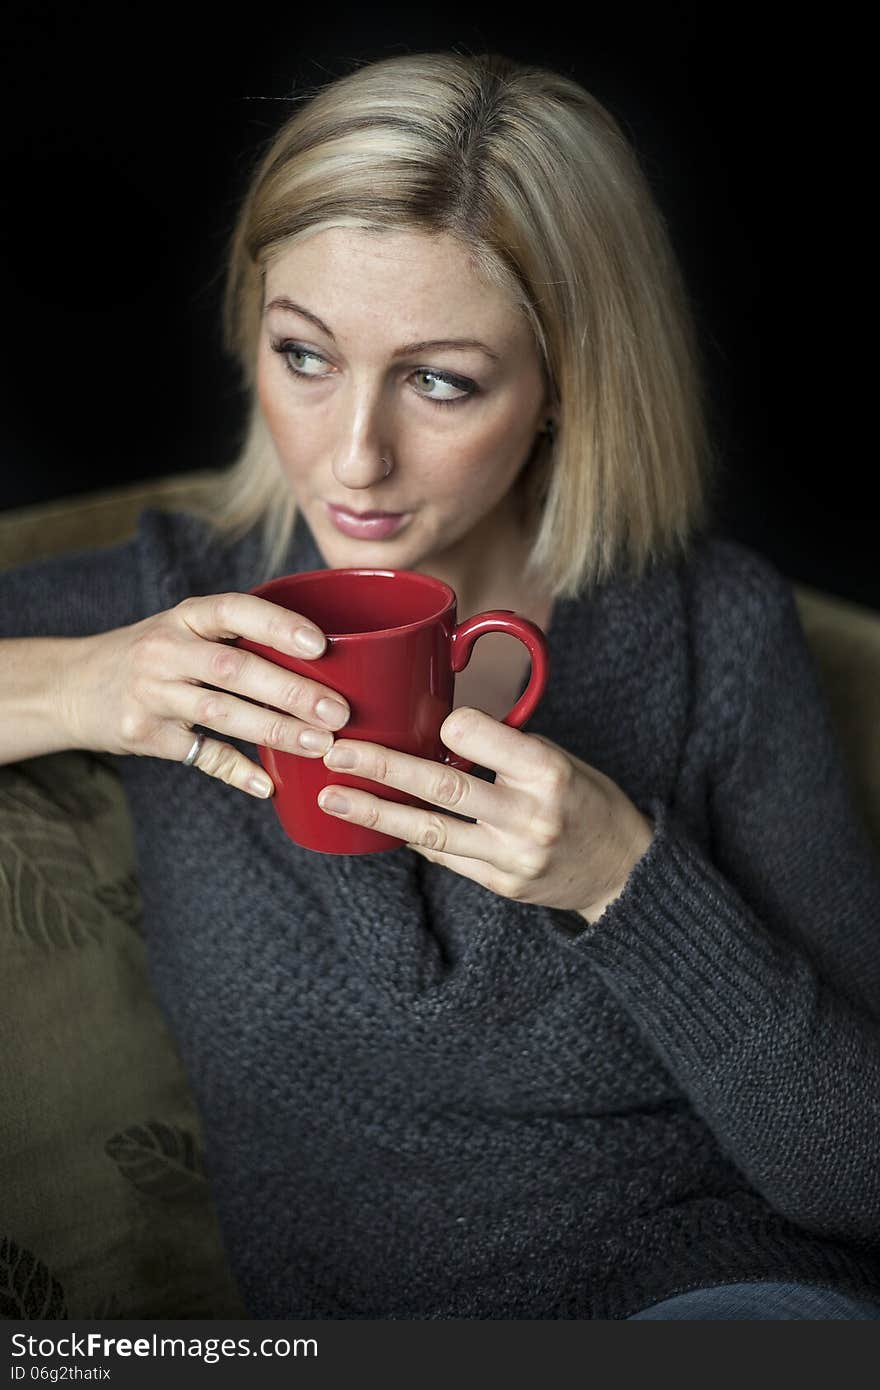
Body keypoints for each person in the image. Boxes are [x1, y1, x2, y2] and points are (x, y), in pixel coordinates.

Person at [1, 49, 879, 1321]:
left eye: (439, 380)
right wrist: (85, 683)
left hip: (712, 1294)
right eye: (305, 355)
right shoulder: (178, 598)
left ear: (564, 387)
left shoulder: (712, 631)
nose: (353, 454)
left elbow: (858, 1173)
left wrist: (623, 880)